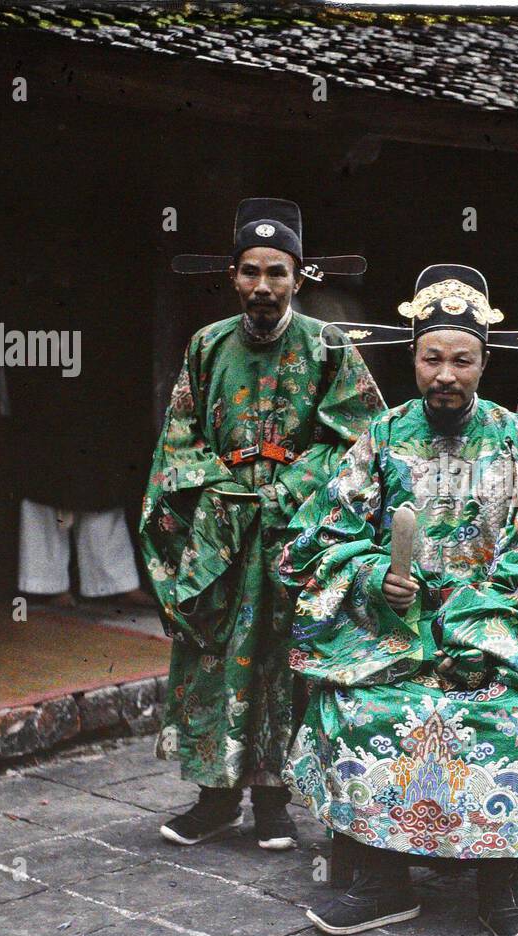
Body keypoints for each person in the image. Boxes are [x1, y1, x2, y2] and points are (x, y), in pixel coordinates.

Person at [279, 265, 518, 936]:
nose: (446, 374)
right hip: (395, 641)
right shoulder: (383, 438)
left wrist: (480, 610)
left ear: (484, 361)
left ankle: (498, 890)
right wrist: (371, 579)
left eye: (462, 359)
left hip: (490, 639)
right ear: (413, 357)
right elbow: (324, 535)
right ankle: (384, 882)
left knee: (512, 711)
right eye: (432, 358)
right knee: (361, 706)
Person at [140, 198, 385, 848]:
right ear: (232, 274)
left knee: (283, 657)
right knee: (209, 653)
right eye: (250, 271)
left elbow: (358, 436)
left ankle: (274, 798)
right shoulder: (207, 345)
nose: (263, 286)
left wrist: (289, 487)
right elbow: (180, 438)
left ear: (299, 277)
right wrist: (223, 488)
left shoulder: (327, 345)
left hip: (293, 527)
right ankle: (214, 796)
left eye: (277, 272)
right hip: (221, 528)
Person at [6, 267, 154, 610]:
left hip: (94, 404)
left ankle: (116, 582)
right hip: (45, 407)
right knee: (47, 500)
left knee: (102, 493)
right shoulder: (30, 302)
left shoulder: (100, 296)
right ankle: (46, 584)